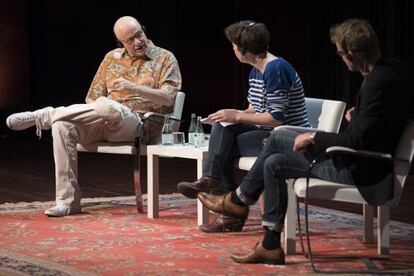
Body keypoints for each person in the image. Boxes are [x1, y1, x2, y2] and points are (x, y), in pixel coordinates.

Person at [197, 18, 411, 265]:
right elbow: (378, 121)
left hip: (364, 169)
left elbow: (357, 140)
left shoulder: (378, 83)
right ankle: (269, 245)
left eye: (341, 53)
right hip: (359, 159)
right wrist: (360, 113)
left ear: (352, 53)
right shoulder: (391, 70)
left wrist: (314, 136)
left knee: (277, 138)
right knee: (274, 162)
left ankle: (237, 201)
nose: (341, 57)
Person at [6, 16, 182, 217]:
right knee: (62, 126)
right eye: (130, 40)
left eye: (139, 34)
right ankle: (68, 202)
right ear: (121, 43)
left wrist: (132, 87)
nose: (138, 42)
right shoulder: (111, 58)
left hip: (139, 124)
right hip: (103, 120)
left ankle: (46, 115)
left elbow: (169, 98)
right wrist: (104, 107)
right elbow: (92, 98)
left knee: (110, 107)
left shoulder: (165, 58)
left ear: (143, 29)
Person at [177, 20, 310, 233]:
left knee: (225, 146)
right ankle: (213, 181)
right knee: (224, 127)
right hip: (267, 132)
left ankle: (230, 211)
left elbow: (276, 118)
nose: (232, 48)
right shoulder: (256, 70)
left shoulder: (276, 70)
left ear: (243, 49)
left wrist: (237, 115)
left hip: (286, 138)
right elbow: (253, 110)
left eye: (233, 44)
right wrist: (227, 115)